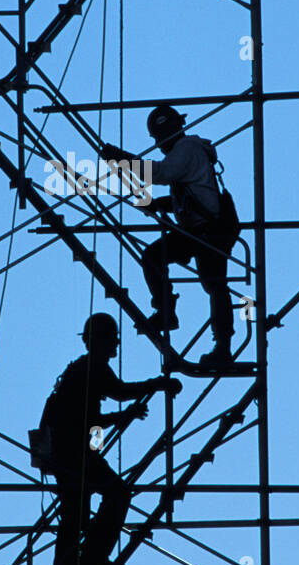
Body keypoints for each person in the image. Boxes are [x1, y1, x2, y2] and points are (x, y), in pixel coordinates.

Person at [39, 312, 181, 565]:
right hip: (74, 454)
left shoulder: (80, 369)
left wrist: (124, 414)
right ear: (101, 341)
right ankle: (88, 560)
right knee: (115, 494)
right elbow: (117, 394)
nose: (116, 345)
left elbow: (93, 416)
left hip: (69, 454)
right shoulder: (92, 367)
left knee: (73, 519)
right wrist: (156, 385)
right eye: (112, 339)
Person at [100, 104, 239, 369]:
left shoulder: (186, 150)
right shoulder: (187, 152)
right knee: (157, 258)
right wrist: (159, 205)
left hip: (208, 232)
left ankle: (219, 344)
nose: (157, 144)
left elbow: (162, 174)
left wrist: (122, 159)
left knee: (214, 285)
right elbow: (190, 194)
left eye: (157, 138)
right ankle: (168, 312)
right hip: (200, 230)